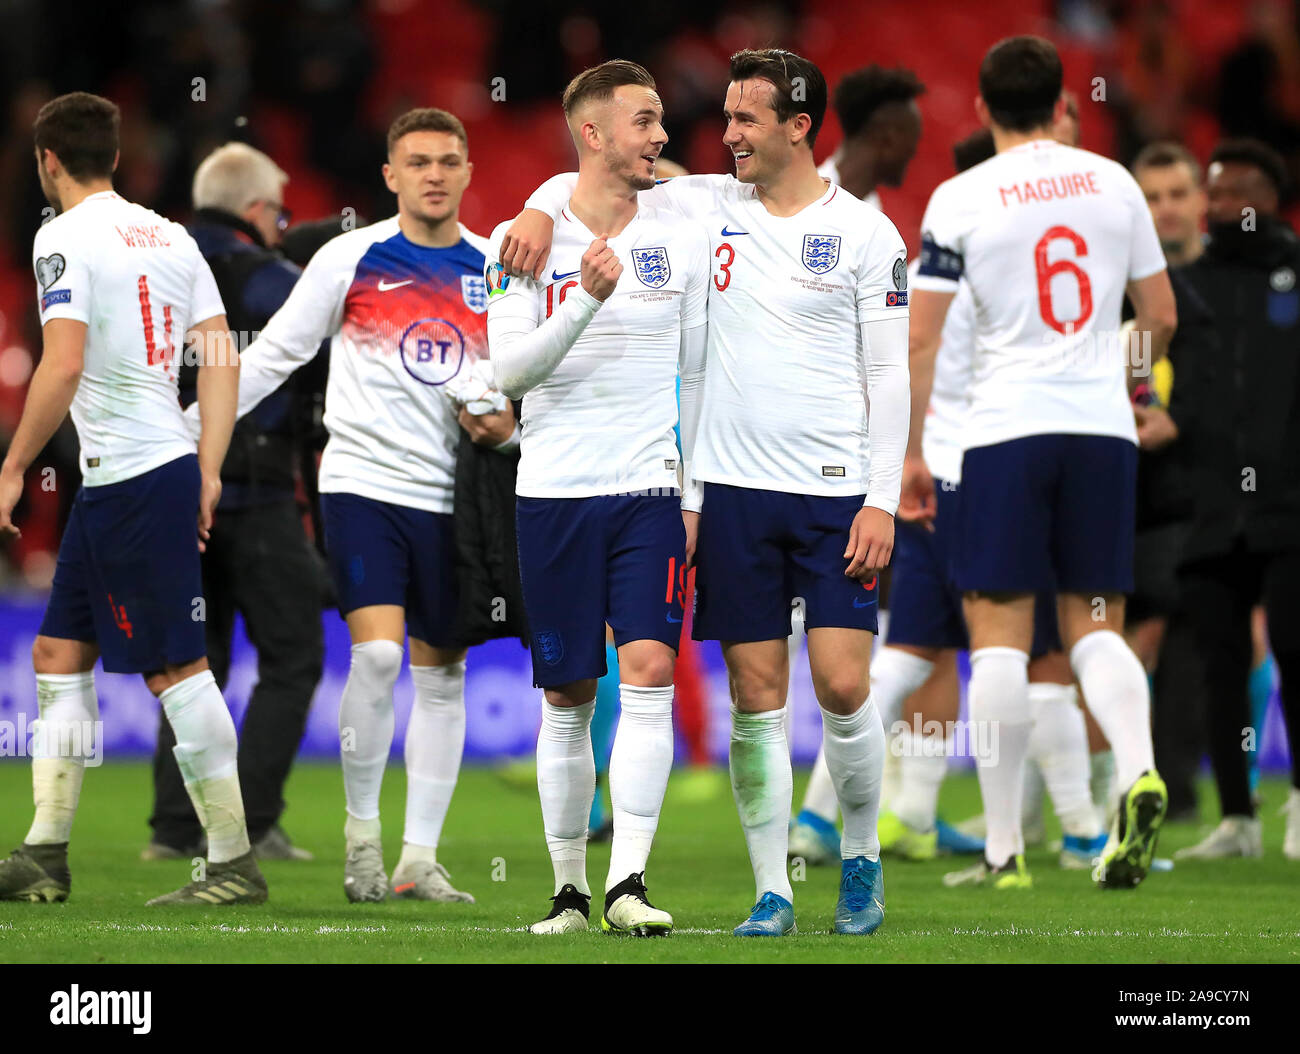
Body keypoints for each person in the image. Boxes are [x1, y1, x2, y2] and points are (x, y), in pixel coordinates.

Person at [503, 46, 910, 938]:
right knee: (756, 697)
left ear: (799, 128)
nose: (724, 135)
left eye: (745, 121)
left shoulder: (869, 236)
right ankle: (773, 890)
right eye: (722, 119)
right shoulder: (699, 204)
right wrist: (534, 206)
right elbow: (592, 167)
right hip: (729, 493)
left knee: (842, 687)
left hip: (837, 491)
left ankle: (860, 855)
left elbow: (891, 376)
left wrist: (882, 496)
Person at [194, 107, 516, 902]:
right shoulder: (350, 257)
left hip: (455, 498)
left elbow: (524, 380)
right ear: (391, 175)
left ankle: (418, 858)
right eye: (418, 162)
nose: (434, 174)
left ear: (469, 172)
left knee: (443, 676)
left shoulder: (495, 272)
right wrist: (186, 435)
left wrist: (511, 430)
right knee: (377, 656)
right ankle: (362, 839)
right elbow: (271, 357)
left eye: (448, 160)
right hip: (364, 485)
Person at [905, 36, 1178, 890]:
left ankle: (1003, 852)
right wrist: (1120, 382)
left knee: (997, 640)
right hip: (1101, 433)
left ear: (981, 108)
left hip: (1003, 434)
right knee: (1095, 622)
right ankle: (1137, 771)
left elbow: (922, 336)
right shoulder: (1116, 182)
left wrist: (912, 451)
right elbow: (1162, 316)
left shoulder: (959, 197)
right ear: (1064, 99)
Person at [0, 92, 267, 905]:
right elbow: (220, 353)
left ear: (47, 162)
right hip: (140, 472)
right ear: (116, 157)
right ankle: (45, 854)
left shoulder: (60, 238)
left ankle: (230, 863)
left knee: (177, 669)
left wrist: (13, 465)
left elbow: (63, 362)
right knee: (58, 654)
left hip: (133, 478)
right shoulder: (171, 235)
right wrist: (210, 462)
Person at [486, 60, 709, 936]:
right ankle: (570, 892)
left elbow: (695, 368)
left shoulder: (682, 221)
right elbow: (507, 373)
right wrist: (582, 298)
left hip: (650, 486)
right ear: (592, 132)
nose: (661, 135)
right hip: (552, 490)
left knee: (649, 671)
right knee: (569, 696)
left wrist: (692, 492)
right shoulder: (521, 239)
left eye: (659, 120)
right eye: (644, 121)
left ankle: (629, 886)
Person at [144, 142, 323, 863]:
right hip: (257, 490)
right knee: (293, 654)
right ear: (256, 209)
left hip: (167, 483)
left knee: (193, 659)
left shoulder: (155, 269)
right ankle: (246, 824)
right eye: (278, 213)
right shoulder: (274, 280)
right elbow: (318, 375)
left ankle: (173, 829)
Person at [1166, 139, 1300, 861]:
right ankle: (1237, 818)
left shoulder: (1296, 271)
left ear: (1270, 198)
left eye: (1235, 192)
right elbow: (1144, 352)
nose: (1220, 207)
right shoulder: (1185, 283)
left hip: (1290, 503)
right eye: (1212, 193)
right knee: (1217, 665)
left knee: (1295, 650)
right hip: (1211, 504)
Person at [816, 65, 925, 210]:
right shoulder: (799, 197)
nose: (914, 151)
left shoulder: (874, 213)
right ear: (887, 139)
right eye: (913, 138)